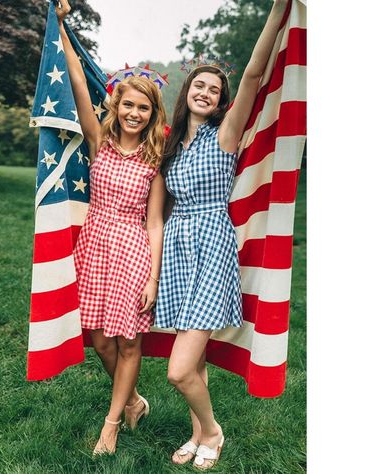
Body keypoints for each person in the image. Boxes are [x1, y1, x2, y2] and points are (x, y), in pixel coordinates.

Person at [155, 0, 289, 470]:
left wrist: (276, 11)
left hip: (212, 245)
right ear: (186, 90)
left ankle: (213, 430)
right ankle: (197, 436)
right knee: (197, 363)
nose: (206, 93)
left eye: (214, 89)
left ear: (220, 99)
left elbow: (252, 76)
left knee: (177, 370)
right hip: (177, 249)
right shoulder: (171, 145)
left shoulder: (224, 135)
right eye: (199, 85)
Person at [54, 1, 166, 455]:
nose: (134, 113)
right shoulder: (99, 141)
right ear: (117, 105)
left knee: (130, 340)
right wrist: (62, 26)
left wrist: (154, 277)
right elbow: (79, 83)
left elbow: (155, 221)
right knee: (100, 338)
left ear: (152, 113)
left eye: (143, 108)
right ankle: (135, 400)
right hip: (96, 244)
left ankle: (112, 423)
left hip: (134, 249)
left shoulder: (154, 159)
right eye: (128, 105)